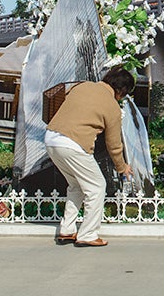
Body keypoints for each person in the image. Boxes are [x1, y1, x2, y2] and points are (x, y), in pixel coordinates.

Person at [44, 67, 135, 247]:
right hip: (74, 144)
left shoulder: (81, 86)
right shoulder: (112, 107)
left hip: (51, 139)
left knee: (76, 184)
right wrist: (122, 167)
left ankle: (67, 230)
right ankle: (88, 233)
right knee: (97, 186)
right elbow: (114, 144)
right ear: (121, 91)